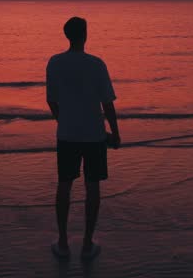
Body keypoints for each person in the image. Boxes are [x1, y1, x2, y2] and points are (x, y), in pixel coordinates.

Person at [46, 16, 121, 261]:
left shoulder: (55, 63)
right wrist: (116, 134)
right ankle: (87, 244)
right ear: (85, 35)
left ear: (67, 35)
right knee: (93, 187)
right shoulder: (96, 64)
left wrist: (63, 120)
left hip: (67, 135)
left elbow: (51, 100)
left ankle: (63, 242)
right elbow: (107, 104)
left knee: (64, 185)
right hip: (94, 136)